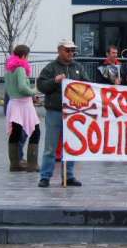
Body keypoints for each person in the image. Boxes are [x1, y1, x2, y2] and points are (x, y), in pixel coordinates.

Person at [36, 40, 90, 188]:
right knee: (50, 147)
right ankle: (45, 176)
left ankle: (69, 176)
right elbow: (41, 85)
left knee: (71, 145)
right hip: (55, 111)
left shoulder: (78, 67)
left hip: (73, 113)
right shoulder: (51, 67)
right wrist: (55, 81)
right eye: (68, 50)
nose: (71, 53)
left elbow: (87, 85)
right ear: (59, 50)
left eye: (73, 50)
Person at [4, 45, 40, 172]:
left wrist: (29, 95)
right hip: (23, 105)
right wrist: (34, 90)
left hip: (14, 103)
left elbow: (9, 88)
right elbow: (22, 88)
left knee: (16, 133)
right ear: (24, 55)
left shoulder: (9, 69)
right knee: (35, 131)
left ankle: (14, 164)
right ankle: (32, 164)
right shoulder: (20, 69)